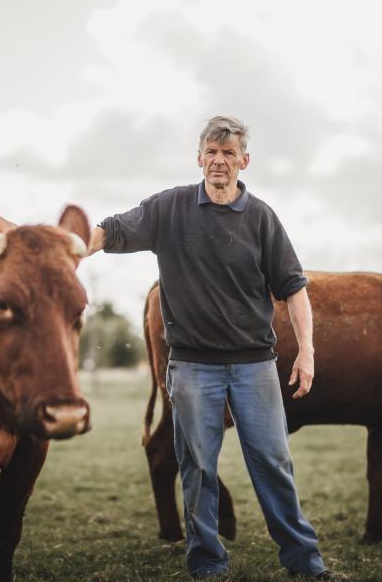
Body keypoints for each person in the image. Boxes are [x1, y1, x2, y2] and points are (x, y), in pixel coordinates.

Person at [87, 116, 334, 580]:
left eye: (228, 153)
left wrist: (307, 352)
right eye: (211, 152)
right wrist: (69, 247)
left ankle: (303, 559)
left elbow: (293, 287)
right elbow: (113, 230)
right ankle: (207, 562)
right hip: (192, 366)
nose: (219, 161)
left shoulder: (261, 217)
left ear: (244, 161)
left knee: (273, 462)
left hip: (254, 365)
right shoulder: (170, 208)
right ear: (199, 157)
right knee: (197, 466)